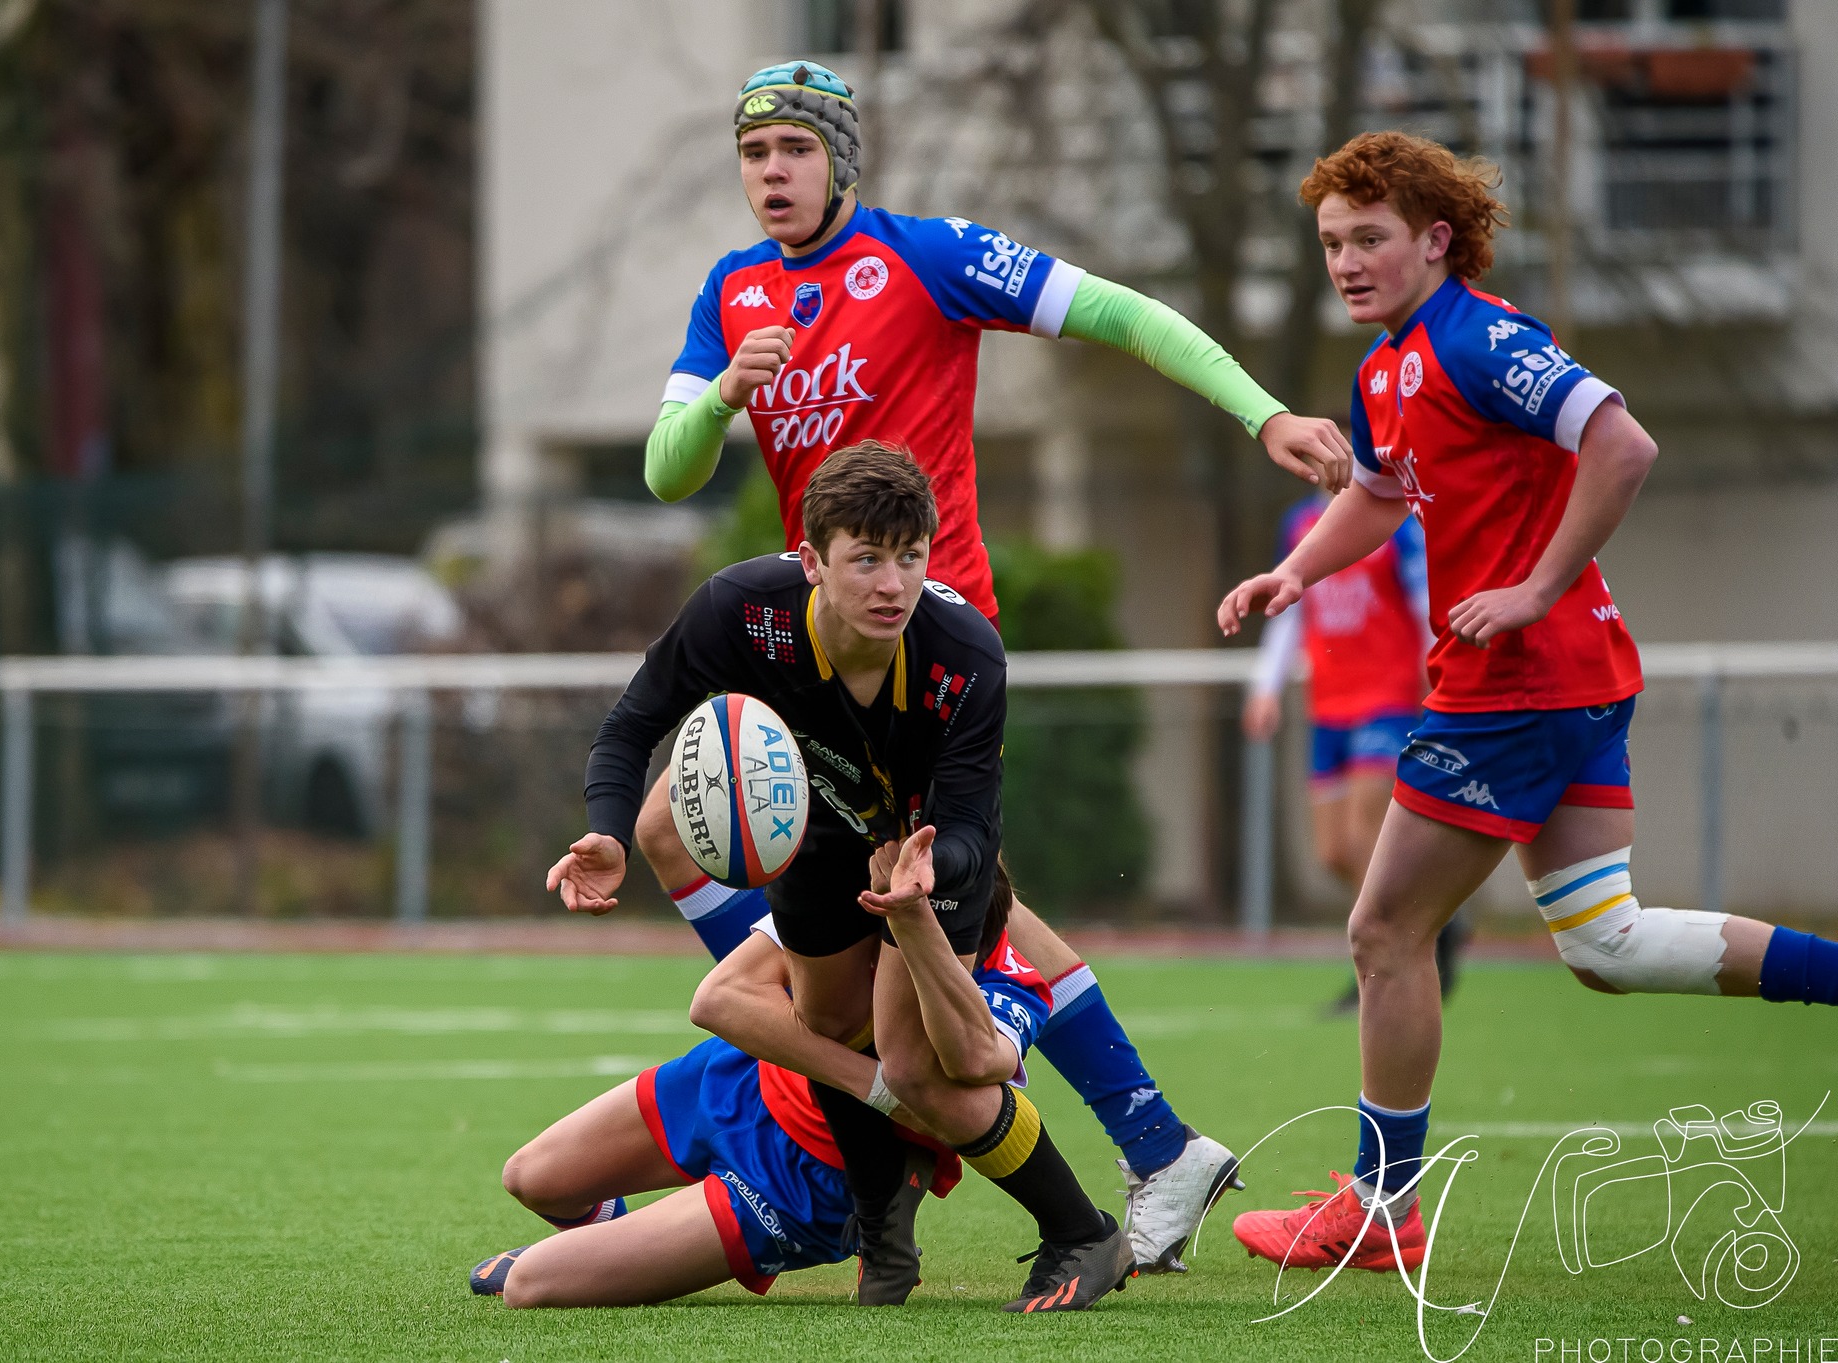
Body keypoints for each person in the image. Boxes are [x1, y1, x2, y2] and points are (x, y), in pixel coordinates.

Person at [614, 57, 1320, 1268]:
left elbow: (1119, 313)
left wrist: (1263, 414)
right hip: (808, 644)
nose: (771, 173)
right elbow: (665, 470)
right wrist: (723, 392)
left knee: (933, 900)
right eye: (753, 153)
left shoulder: (928, 257)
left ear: (841, 158)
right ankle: (908, 1074)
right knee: (674, 828)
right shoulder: (731, 292)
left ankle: (1106, 1141)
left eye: (794, 149)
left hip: (921, 643)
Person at [1217, 131, 1838, 1274]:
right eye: (1330, 243)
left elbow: (1621, 444)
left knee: (1382, 930)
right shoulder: (1385, 365)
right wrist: (1293, 574)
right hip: (1567, 678)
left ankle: (1379, 1208)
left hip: (1515, 685)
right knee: (1605, 942)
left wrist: (1534, 586)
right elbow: (1376, 494)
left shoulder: (1477, 338)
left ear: (1434, 240)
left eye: (1367, 239)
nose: (1344, 262)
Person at [547, 443, 1132, 1311]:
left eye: (911, 556)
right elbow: (632, 724)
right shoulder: (743, 611)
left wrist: (930, 869)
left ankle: (1081, 1230)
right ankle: (881, 1221)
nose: (893, 584)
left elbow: (971, 825)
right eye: (867, 559)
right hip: (816, 831)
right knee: (821, 1017)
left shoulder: (965, 653)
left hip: (928, 852)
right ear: (812, 560)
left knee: (915, 1063)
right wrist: (606, 830)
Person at [473, 872, 1071, 1308]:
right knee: (530, 1178)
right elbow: (717, 1000)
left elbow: (974, 1082)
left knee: (530, 1284)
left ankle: (879, 1208)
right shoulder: (861, 894)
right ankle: (612, 1245)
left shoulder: (1011, 984)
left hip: (797, 1181)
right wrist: (874, 1086)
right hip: (738, 1076)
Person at [1243, 494, 1469, 1009]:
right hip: (1328, 707)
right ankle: (1439, 915)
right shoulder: (1299, 522)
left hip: (1387, 700)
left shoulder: (1393, 518)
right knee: (1335, 852)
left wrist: (1436, 674)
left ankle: (1383, 963)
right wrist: (1265, 687)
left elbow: (1424, 602)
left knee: (1367, 834)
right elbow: (1287, 610)